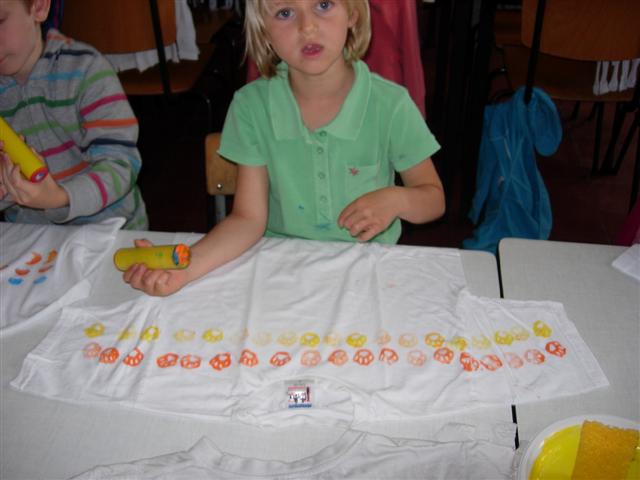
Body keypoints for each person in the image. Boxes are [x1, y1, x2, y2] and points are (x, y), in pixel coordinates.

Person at [124, 0, 444, 296]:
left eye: (323, 4)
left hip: (372, 272)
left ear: (353, 14)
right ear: (264, 31)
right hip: (281, 271)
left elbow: (433, 199)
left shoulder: (391, 104)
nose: (307, 26)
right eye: (285, 13)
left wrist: (398, 199)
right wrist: (184, 268)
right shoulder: (251, 106)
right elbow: (248, 219)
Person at [0, 0, 148, 229]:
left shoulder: (86, 70)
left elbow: (121, 164)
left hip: (111, 231)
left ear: (39, 7)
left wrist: (59, 197)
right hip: (32, 235)